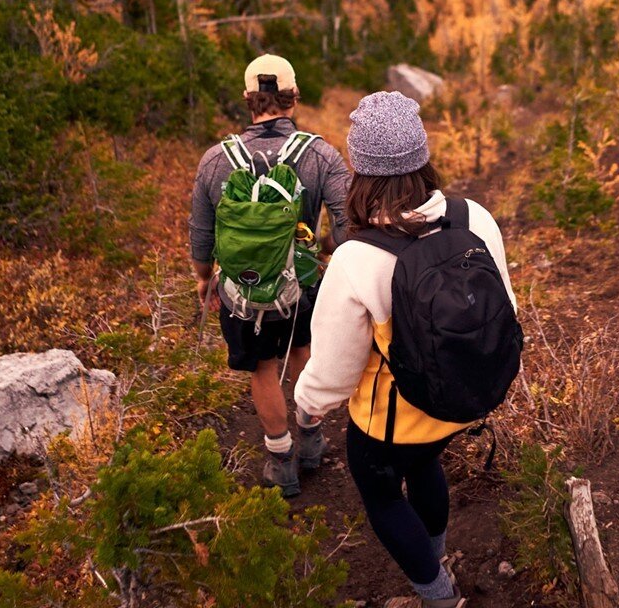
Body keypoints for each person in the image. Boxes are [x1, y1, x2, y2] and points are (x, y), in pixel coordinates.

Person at [295, 91, 519, 608]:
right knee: (425, 465)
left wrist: (308, 408)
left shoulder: (358, 256)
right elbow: (504, 307)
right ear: (422, 159)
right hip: (461, 400)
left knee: (380, 492)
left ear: (362, 172)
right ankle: (435, 552)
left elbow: (334, 370)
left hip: (391, 423)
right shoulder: (473, 218)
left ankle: (438, 594)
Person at [189, 54, 349, 497]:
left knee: (262, 366)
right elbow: (347, 223)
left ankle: (280, 460)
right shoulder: (321, 155)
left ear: (248, 99)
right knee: (302, 349)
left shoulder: (214, 161)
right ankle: (311, 434)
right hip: (304, 284)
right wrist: (324, 251)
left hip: (243, 289)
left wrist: (205, 278)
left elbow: (202, 235)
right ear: (293, 97)